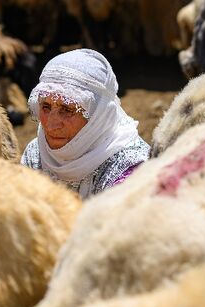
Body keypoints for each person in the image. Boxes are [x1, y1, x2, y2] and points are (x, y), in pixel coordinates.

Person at [21, 49, 150, 199]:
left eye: (67, 109)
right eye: (46, 107)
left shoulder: (131, 171)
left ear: (98, 115)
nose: (51, 125)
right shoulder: (36, 153)